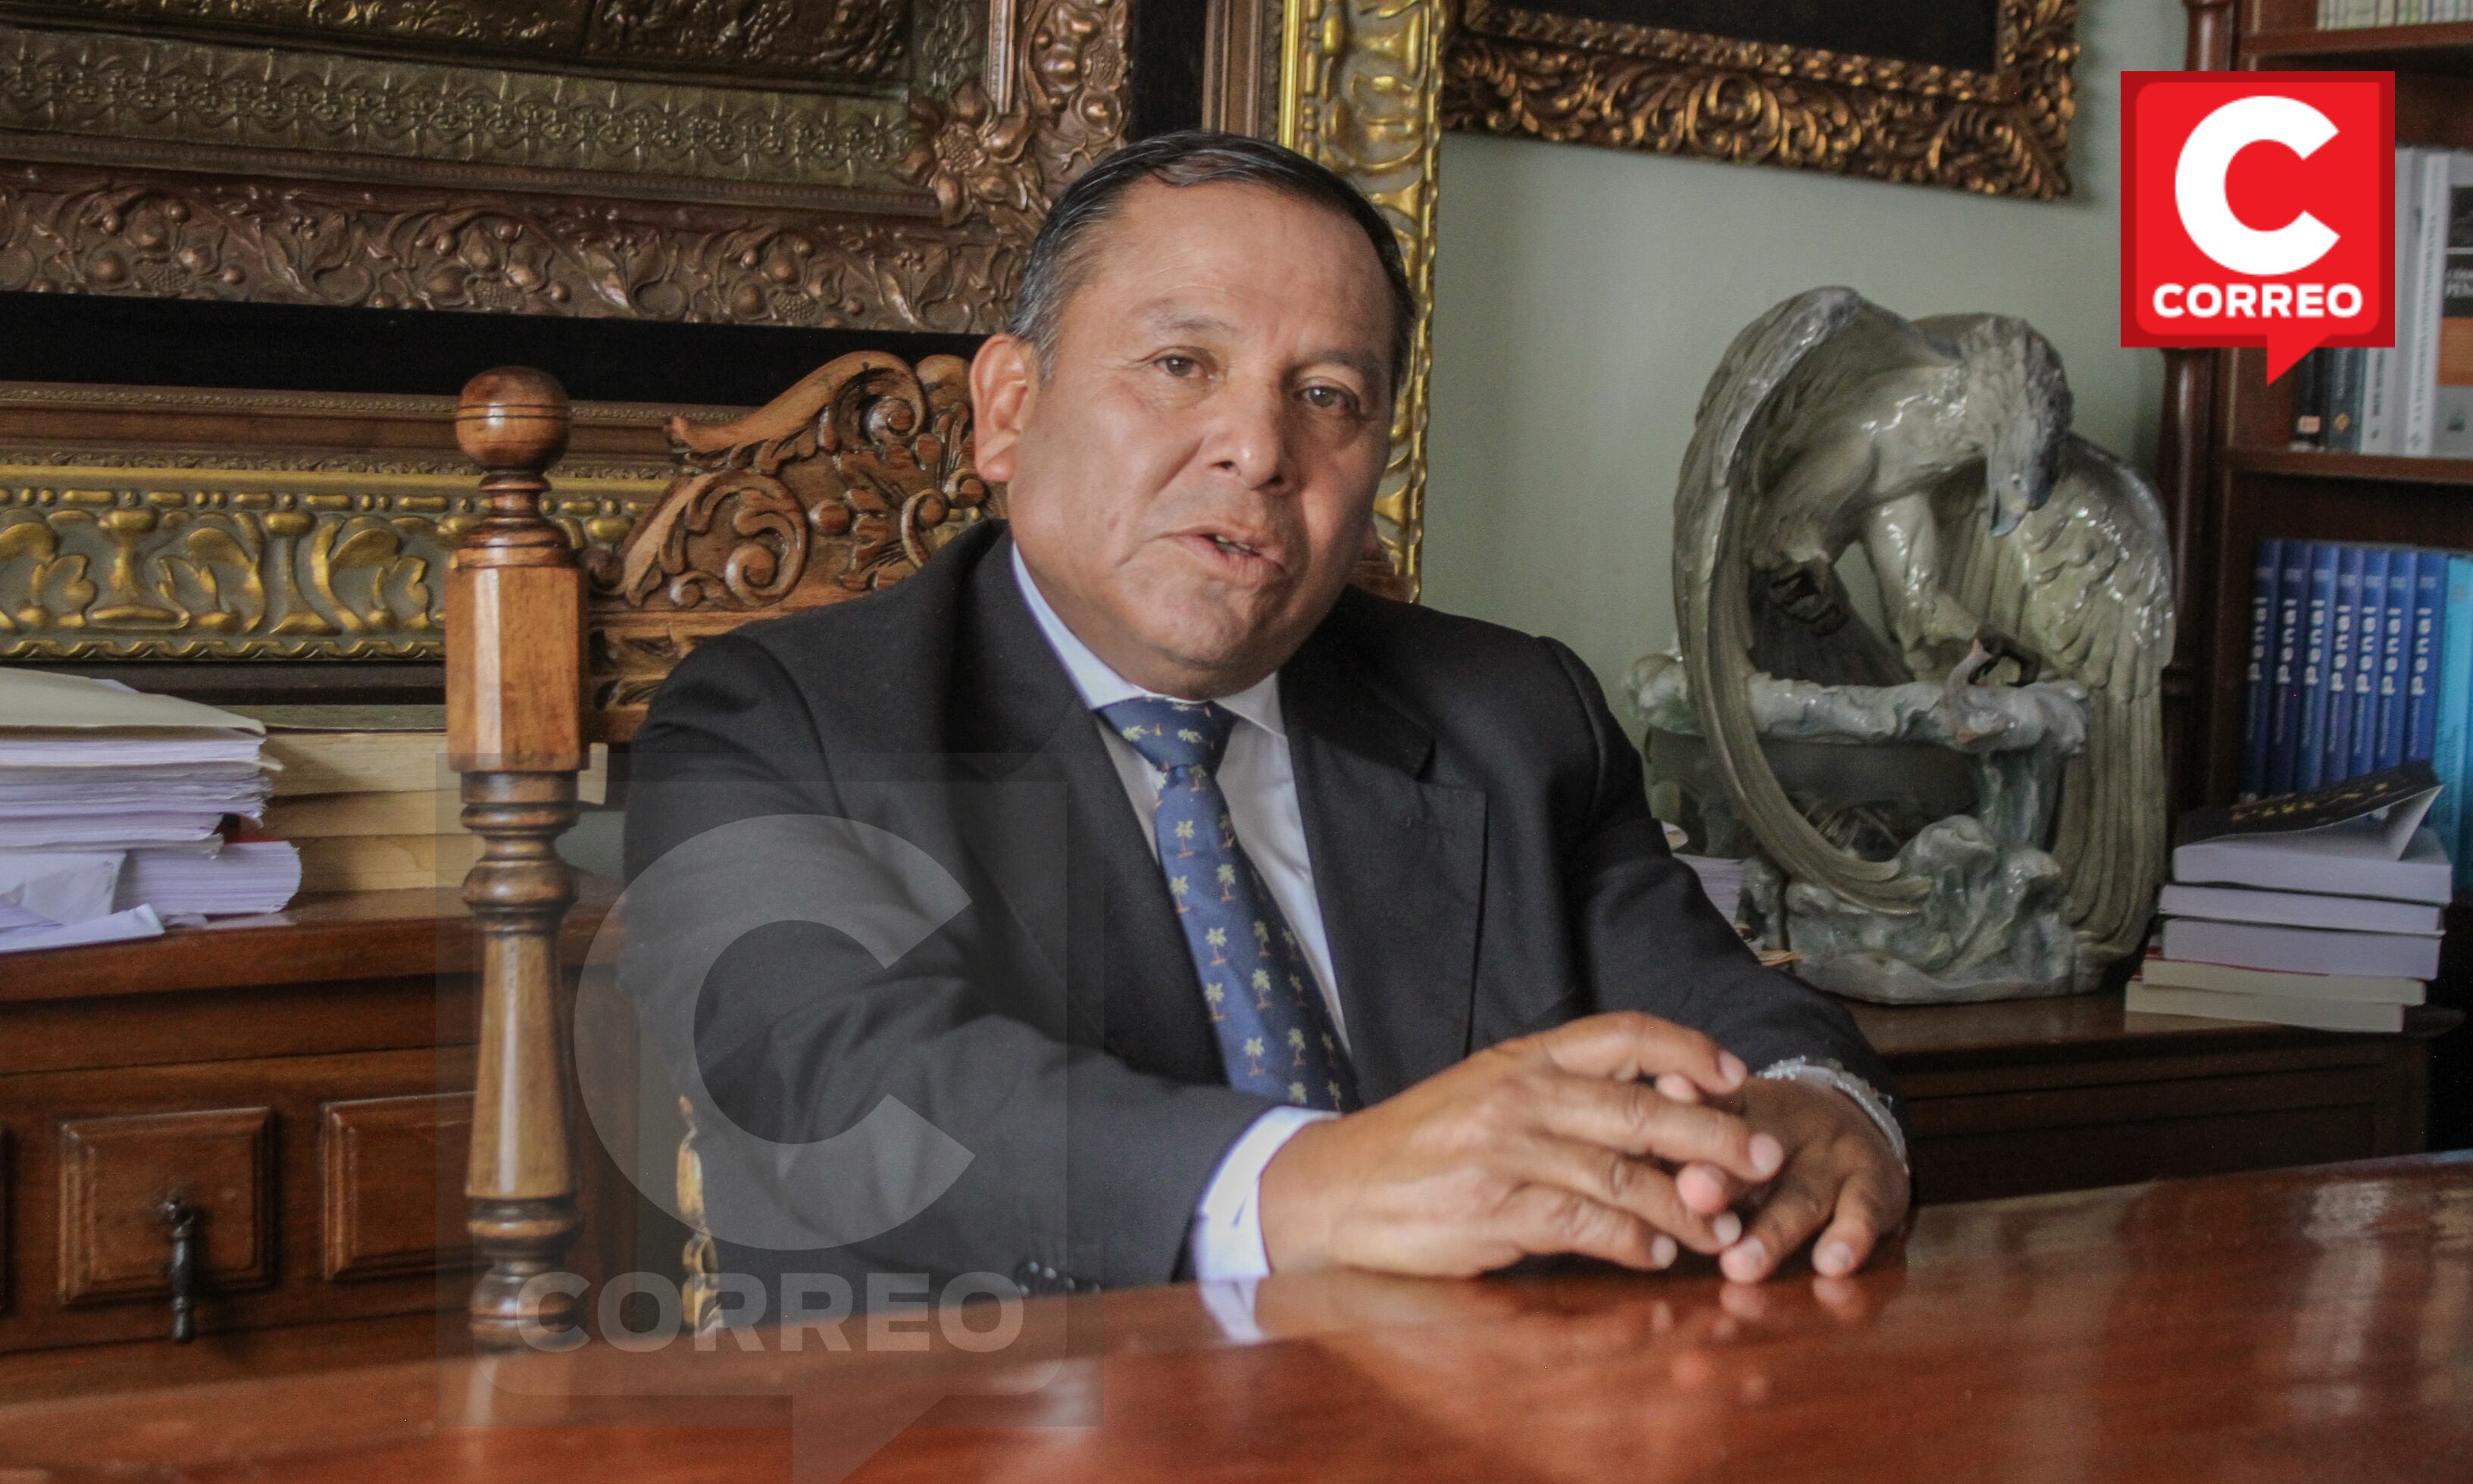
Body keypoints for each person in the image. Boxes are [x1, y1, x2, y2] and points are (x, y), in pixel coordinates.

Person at [624, 130, 1909, 1317]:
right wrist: (1308, 1185)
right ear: (1009, 408)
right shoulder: (780, 722)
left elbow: (1720, 1014)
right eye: (1181, 366)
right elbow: (839, 1075)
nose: (1258, 448)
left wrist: (1817, 1112)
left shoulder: (1516, 717)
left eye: (1329, 395)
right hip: (988, 1440)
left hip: (1482, 1426)